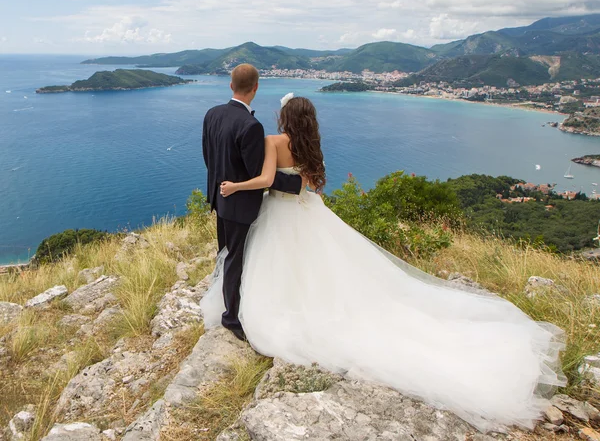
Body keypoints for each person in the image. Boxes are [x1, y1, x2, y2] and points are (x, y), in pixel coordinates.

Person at [200, 93, 566, 433]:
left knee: (277, 265)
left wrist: (234, 186)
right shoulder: (311, 146)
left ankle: (280, 309)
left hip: (279, 215)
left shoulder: (273, 142)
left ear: (284, 117)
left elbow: (265, 180)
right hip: (308, 215)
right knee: (320, 266)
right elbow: (312, 187)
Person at [201, 66, 303, 342]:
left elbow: (208, 156)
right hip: (240, 204)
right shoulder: (250, 126)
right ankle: (232, 317)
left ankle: (226, 301)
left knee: (225, 253)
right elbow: (261, 175)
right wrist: (299, 184)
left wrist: (221, 187)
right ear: (255, 88)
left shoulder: (212, 114)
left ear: (230, 85)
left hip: (220, 199)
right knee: (236, 258)